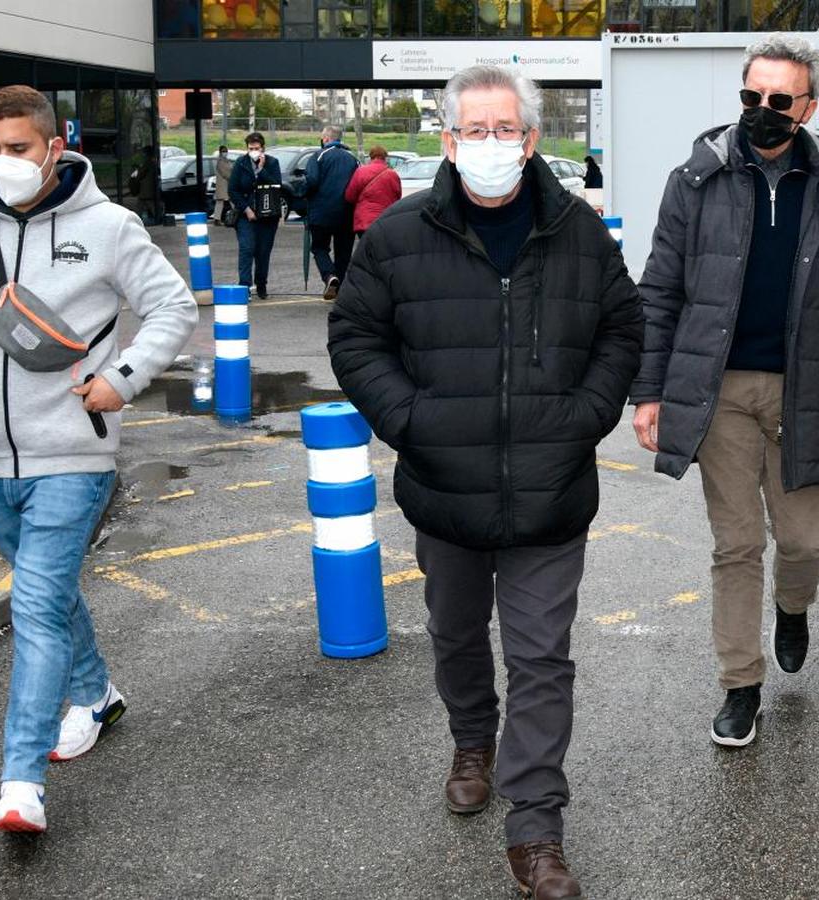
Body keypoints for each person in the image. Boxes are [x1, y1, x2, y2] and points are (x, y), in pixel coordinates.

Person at [328, 65, 643, 900]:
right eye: (477, 130)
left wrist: (585, 415)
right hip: (445, 485)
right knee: (457, 634)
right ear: (449, 140)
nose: (493, 146)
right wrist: (412, 419)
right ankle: (474, 739)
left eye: (509, 130)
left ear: (533, 139)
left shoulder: (578, 230)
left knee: (542, 657)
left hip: (552, 489)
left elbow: (624, 325)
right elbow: (355, 337)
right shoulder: (397, 235)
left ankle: (536, 829)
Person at [0, 85, 197, 833]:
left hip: (75, 454)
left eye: (18, 149)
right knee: (53, 596)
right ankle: (94, 691)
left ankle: (20, 782)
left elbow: (173, 307)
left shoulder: (107, 225)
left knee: (33, 606)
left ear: (54, 148)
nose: (1, 163)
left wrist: (122, 380)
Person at [629, 34, 819, 749]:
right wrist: (649, 391)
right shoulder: (696, 179)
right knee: (737, 543)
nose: (762, 111)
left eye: (779, 101)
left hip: (804, 388)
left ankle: (794, 606)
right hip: (717, 389)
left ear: (808, 106)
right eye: (752, 97)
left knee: (805, 538)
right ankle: (741, 685)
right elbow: (658, 292)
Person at [305, 124, 358, 300]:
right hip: (347, 213)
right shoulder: (352, 158)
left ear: (326, 138)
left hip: (321, 212)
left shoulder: (318, 156)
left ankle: (329, 276)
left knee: (319, 248)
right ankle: (341, 288)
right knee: (343, 252)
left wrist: (303, 196)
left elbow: (311, 181)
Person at [228, 132, 282, 299]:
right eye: (251, 148)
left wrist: (261, 169)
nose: (254, 151)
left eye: (257, 148)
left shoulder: (272, 163)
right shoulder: (241, 163)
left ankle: (261, 284)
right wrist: (246, 209)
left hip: (268, 215)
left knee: (263, 251)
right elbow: (233, 190)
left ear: (263, 148)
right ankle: (244, 286)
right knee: (247, 248)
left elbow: (276, 184)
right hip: (246, 215)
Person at [344, 145, 402, 238]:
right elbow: (397, 197)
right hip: (385, 219)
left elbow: (350, 196)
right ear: (385, 157)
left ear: (371, 156)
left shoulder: (361, 171)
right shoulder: (392, 174)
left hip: (364, 220)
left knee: (366, 249)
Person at [213, 144, 233, 224]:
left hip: (226, 184)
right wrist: (232, 178)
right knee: (224, 200)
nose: (225, 152)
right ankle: (236, 216)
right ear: (220, 152)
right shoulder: (220, 161)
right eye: (223, 151)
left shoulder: (226, 160)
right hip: (223, 184)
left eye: (226, 151)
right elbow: (225, 173)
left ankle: (217, 219)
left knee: (222, 201)